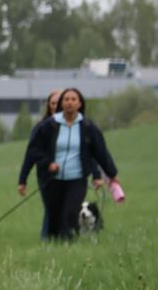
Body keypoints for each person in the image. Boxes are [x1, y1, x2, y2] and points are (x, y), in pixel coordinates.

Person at [25, 88, 119, 239]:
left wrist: (111, 174)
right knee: (54, 216)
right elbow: (34, 149)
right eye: (66, 99)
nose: (69, 102)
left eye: (73, 99)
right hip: (53, 179)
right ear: (62, 104)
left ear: (80, 103)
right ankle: (53, 245)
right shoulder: (49, 125)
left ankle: (67, 245)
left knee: (70, 214)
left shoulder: (88, 127)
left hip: (77, 179)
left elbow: (100, 152)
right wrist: (33, 172)